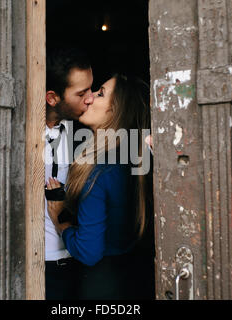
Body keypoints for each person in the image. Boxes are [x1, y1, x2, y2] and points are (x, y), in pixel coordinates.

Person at [47, 73, 155, 300]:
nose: (89, 98)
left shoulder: (98, 173)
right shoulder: (134, 161)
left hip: (101, 285)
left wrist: (59, 222)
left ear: (114, 111)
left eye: (100, 94)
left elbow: (88, 252)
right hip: (131, 277)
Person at [44, 47, 94, 300]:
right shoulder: (18, 133)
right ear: (52, 98)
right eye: (81, 93)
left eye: (92, 89)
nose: (91, 99)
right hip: (37, 264)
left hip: (75, 262)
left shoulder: (85, 133)